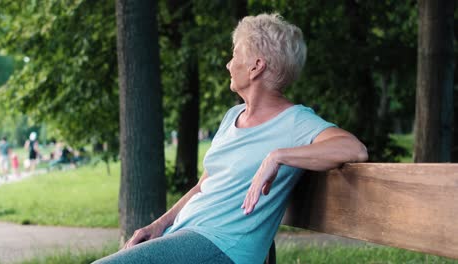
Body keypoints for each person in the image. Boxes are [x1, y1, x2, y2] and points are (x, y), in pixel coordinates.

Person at [94, 13, 368, 264]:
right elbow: (204, 185)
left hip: (224, 245)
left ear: (256, 66)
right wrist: (160, 224)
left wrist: (278, 156)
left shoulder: (295, 121)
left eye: (235, 54)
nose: (228, 64)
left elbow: (353, 149)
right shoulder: (232, 116)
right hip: (186, 235)